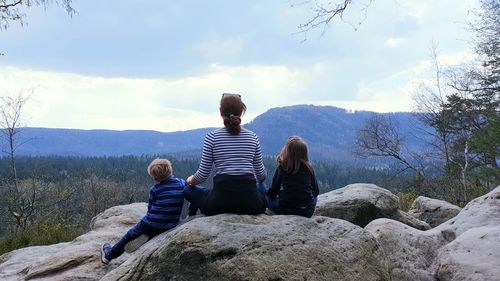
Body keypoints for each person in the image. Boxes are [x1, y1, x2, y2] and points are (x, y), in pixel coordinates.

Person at [184, 93, 267, 215]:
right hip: (251, 204)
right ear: (241, 112)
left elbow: (202, 175)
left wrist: (190, 181)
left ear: (220, 112)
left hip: (218, 204)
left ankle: (193, 212)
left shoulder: (212, 137)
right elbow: (261, 176)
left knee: (187, 190)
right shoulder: (252, 137)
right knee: (262, 187)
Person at [100, 158, 187, 264]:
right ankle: (150, 236)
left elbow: (150, 207)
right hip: (171, 224)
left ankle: (109, 255)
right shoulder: (181, 183)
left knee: (130, 234)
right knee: (155, 229)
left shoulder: (155, 189)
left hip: (150, 223)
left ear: (155, 178)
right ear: (170, 169)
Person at [267, 136, 319, 218]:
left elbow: (273, 192)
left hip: (286, 211)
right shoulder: (309, 168)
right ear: (305, 153)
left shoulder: (282, 168)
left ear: (287, 151)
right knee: (315, 198)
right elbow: (316, 191)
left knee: (267, 198)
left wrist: (281, 194)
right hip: (307, 211)